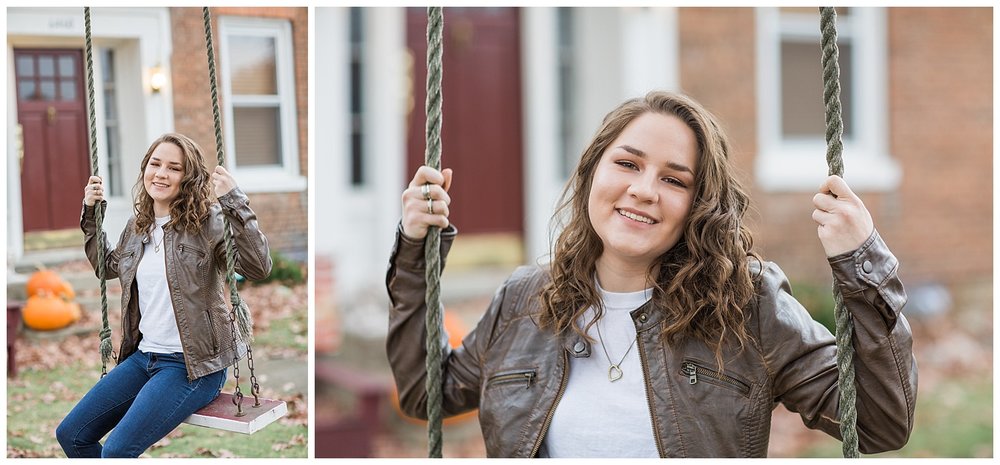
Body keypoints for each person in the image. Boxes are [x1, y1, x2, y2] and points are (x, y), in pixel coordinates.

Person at [385, 91, 916, 457]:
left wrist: (861, 261)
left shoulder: (747, 305)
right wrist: (414, 252)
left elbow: (877, 423)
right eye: (628, 164)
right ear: (594, 169)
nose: (644, 189)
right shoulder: (526, 300)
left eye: (674, 179)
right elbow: (427, 395)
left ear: (699, 204)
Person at [56, 133, 272, 458]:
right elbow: (108, 267)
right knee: (71, 435)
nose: (161, 174)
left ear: (188, 177)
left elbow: (259, 267)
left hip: (193, 365)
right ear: (145, 168)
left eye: (174, 168)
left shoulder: (209, 222)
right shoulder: (137, 227)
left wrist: (235, 202)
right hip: (144, 358)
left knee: (115, 452)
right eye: (155, 164)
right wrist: (90, 214)